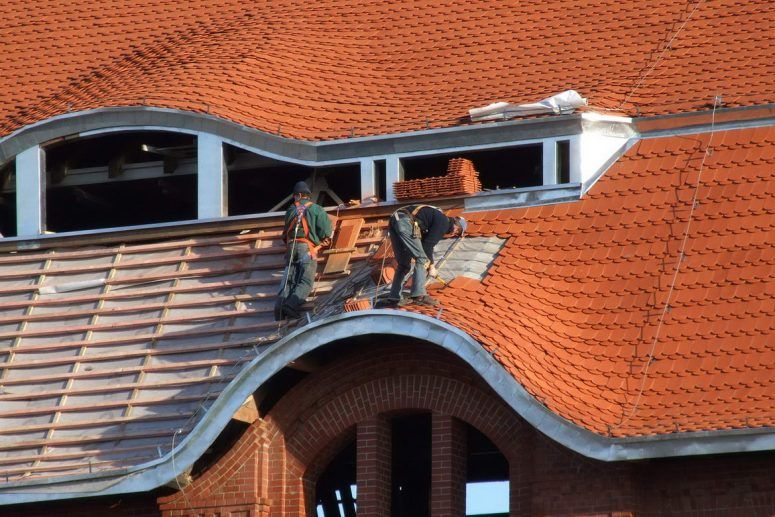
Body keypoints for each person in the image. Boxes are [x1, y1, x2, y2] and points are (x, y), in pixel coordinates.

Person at [381, 204, 466, 307]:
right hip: (405, 222)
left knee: (403, 264)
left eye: (457, 234)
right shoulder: (444, 223)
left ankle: (394, 298)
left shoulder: (435, 219)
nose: (454, 233)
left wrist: (429, 263)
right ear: (455, 223)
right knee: (422, 259)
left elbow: (424, 245)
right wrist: (432, 267)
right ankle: (419, 295)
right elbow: (426, 249)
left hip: (395, 220)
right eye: (458, 230)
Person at [275, 181, 332, 320]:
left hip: (290, 248)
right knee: (306, 280)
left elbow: (285, 233)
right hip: (306, 249)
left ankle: (279, 307)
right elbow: (326, 231)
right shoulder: (316, 209)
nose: (294, 199)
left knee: (289, 278)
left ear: (299, 195)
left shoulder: (290, 210)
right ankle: (291, 305)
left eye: (295, 196)